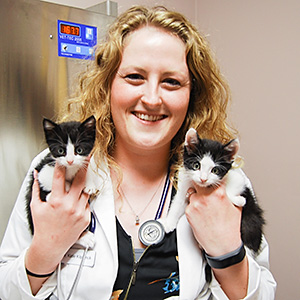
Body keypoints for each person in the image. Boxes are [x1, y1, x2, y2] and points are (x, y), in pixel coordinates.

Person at [0, 5, 276, 300]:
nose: (152, 98)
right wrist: (46, 249)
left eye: (171, 82)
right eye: (134, 77)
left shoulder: (224, 185)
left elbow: (264, 293)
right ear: (107, 86)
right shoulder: (53, 174)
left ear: (191, 95)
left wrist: (227, 252)